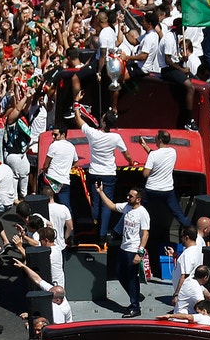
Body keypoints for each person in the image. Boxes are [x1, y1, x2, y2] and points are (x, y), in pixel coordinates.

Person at [74, 91, 134, 248]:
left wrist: (76, 104)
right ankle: (102, 235)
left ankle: (93, 228)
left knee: (96, 203)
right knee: (107, 205)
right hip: (109, 175)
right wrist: (131, 162)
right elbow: (126, 154)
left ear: (104, 122)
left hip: (94, 173)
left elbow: (78, 120)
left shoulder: (93, 134)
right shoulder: (115, 138)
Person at [95, 183, 149, 318]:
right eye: (128, 195)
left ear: (138, 199)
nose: (128, 197)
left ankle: (135, 306)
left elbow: (145, 234)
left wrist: (140, 252)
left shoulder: (143, 213)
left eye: (131, 196)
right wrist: (100, 192)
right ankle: (134, 296)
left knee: (132, 278)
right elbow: (112, 206)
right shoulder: (126, 207)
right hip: (123, 248)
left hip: (133, 249)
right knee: (119, 274)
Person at [139, 130, 191, 228]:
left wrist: (146, 167)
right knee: (179, 214)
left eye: (155, 137)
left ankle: (116, 232)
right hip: (167, 191)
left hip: (151, 190)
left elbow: (145, 174)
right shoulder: (173, 152)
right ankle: (191, 230)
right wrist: (144, 145)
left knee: (136, 208)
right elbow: (157, 155)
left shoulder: (153, 155)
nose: (154, 139)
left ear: (160, 140)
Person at [13, 258, 72, 323]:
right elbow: (38, 279)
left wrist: (30, 317)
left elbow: (49, 323)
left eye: (49, 295)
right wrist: (24, 266)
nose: (47, 294)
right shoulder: (52, 291)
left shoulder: (61, 311)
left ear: (57, 300)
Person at [40, 125, 77, 210]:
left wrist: (44, 172)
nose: (53, 137)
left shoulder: (54, 145)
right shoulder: (72, 146)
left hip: (51, 181)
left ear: (63, 134)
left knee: (47, 206)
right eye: (52, 134)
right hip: (64, 181)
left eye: (55, 135)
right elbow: (76, 162)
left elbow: (46, 164)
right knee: (66, 208)